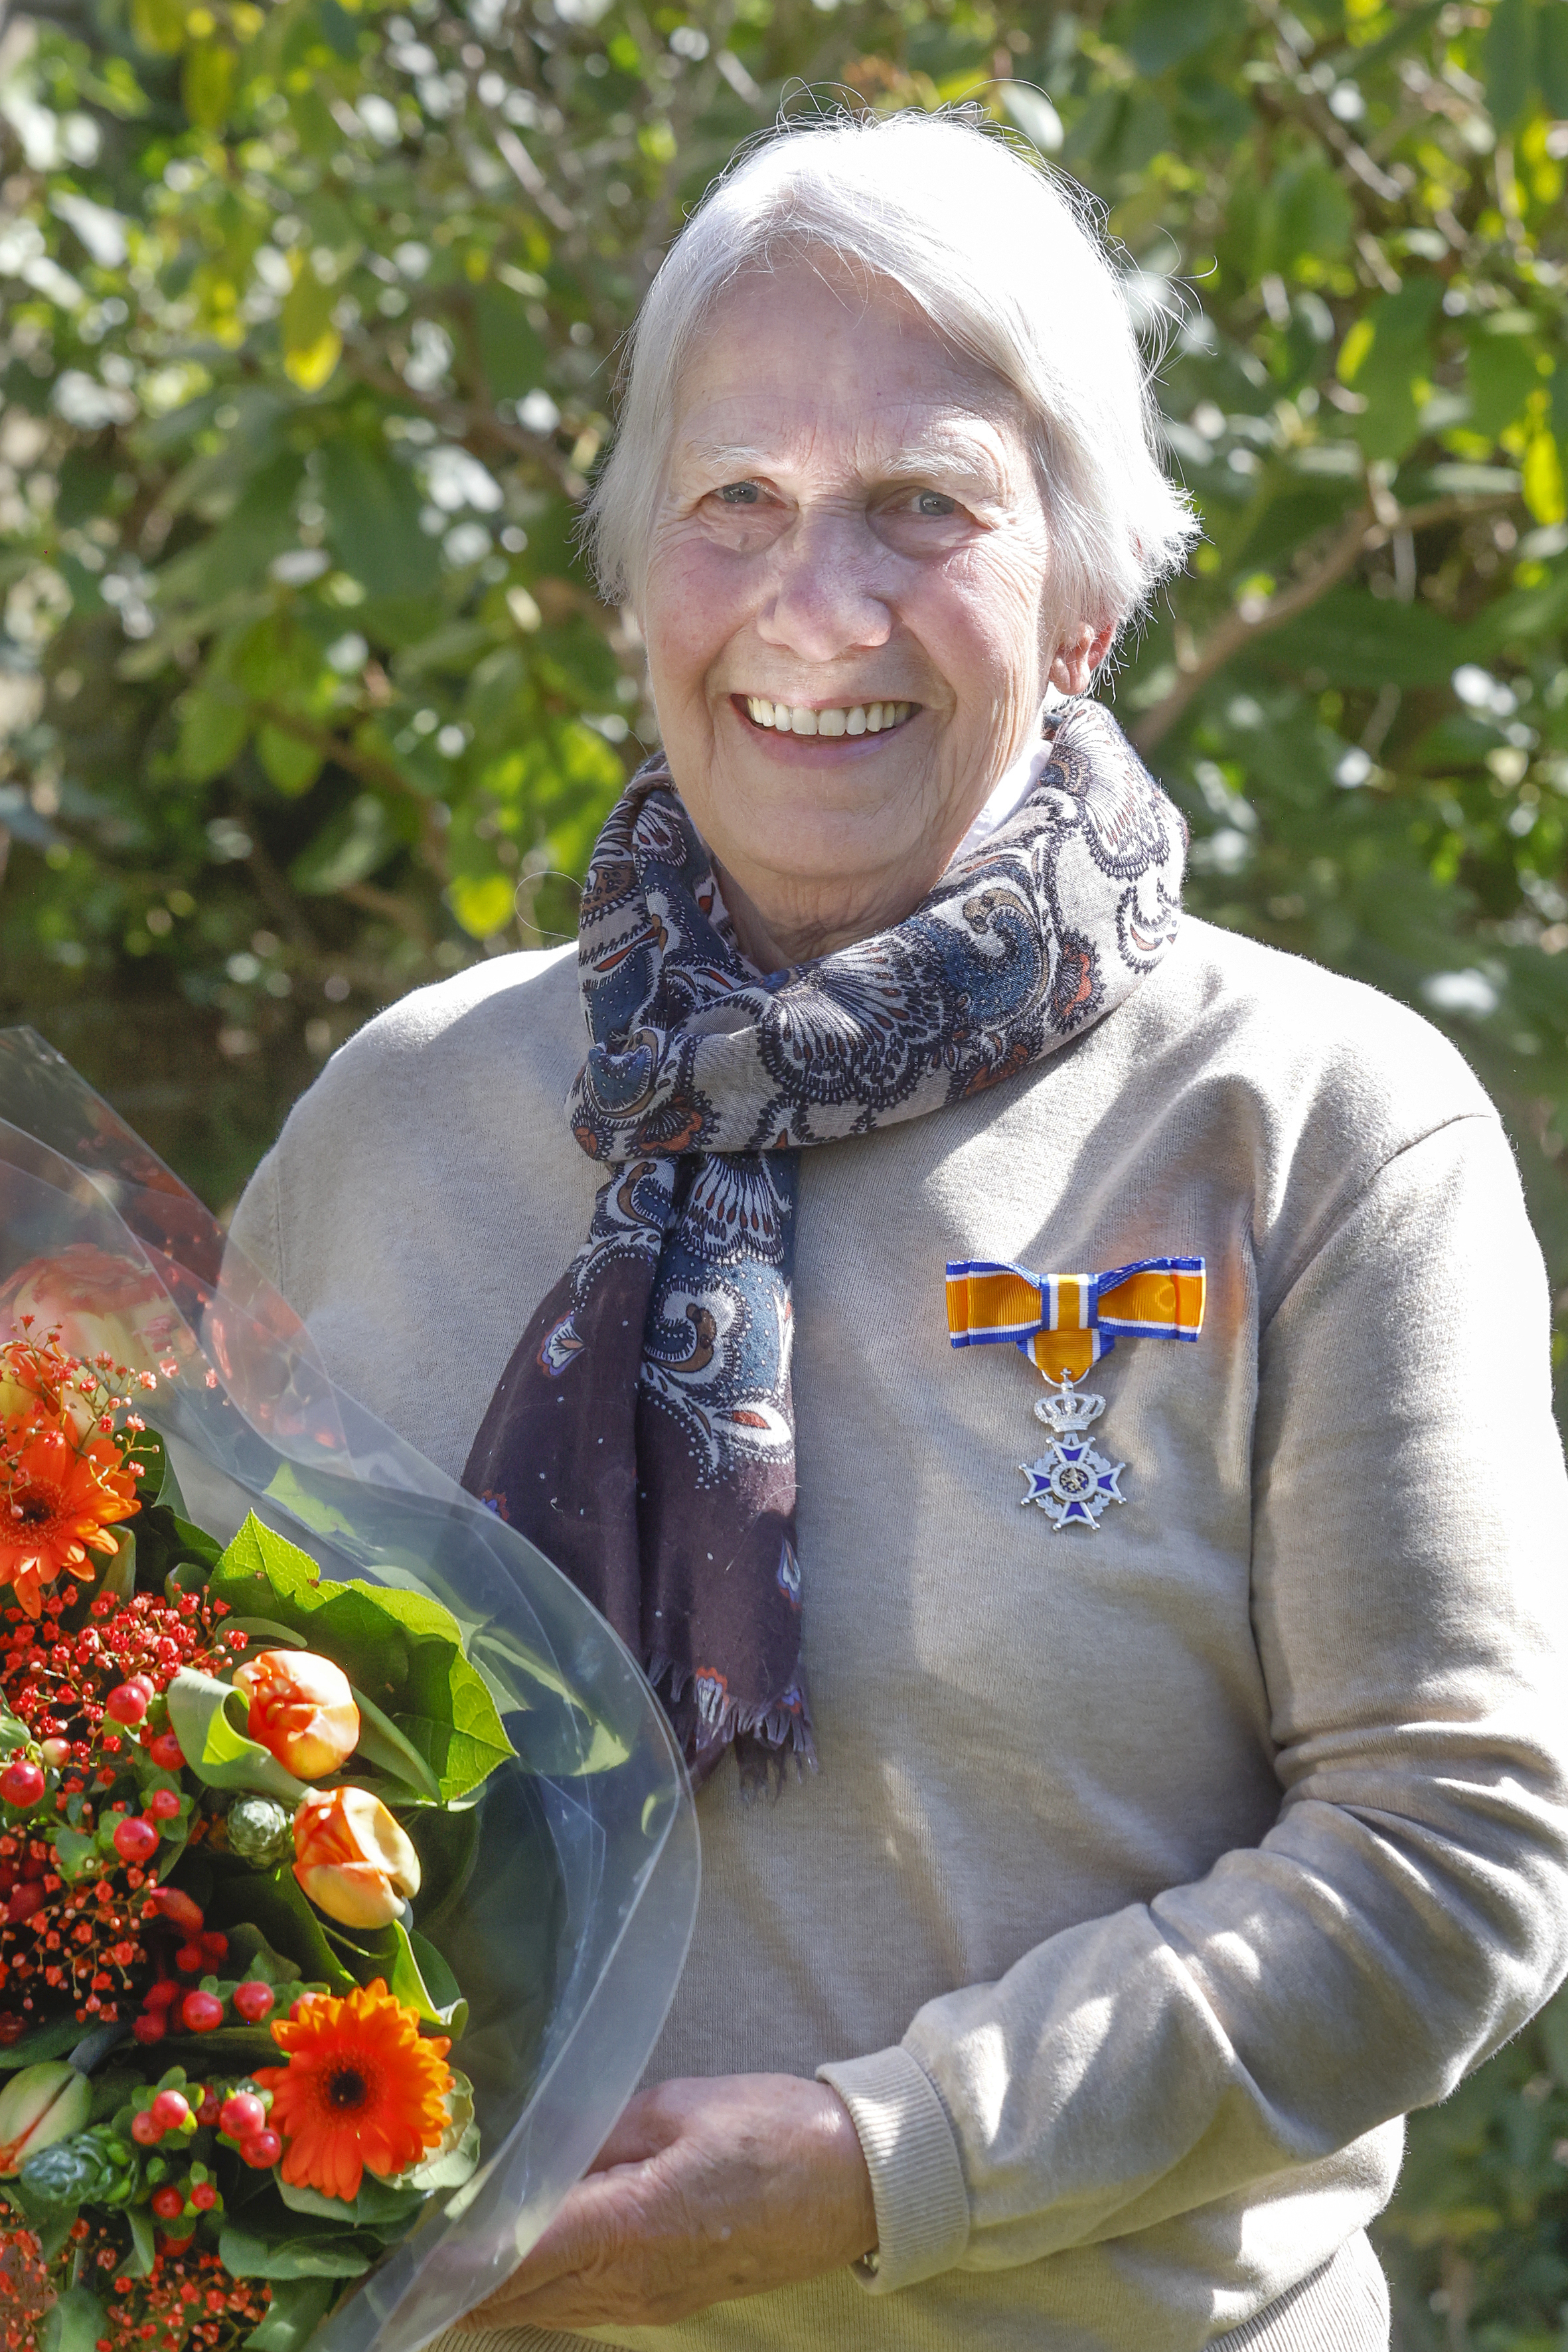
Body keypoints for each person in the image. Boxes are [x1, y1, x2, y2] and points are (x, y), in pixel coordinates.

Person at [228, 109, 1568, 2352]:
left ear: (1083, 604)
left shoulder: (1313, 1127)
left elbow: (1452, 1862)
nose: (810, 608)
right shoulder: (407, 1113)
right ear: (636, 570)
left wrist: (879, 2167)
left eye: (920, 511)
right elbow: (144, 1731)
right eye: (731, 499)